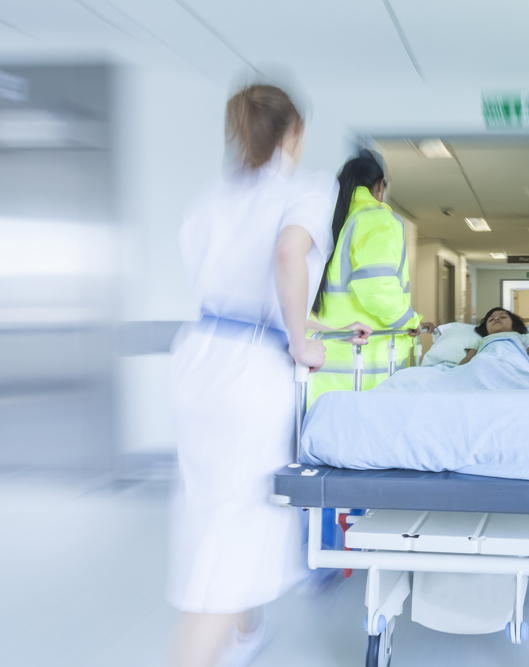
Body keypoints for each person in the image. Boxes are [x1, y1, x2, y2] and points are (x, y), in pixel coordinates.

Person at [167, 84, 371, 667]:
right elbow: (287, 256)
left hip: (199, 358)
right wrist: (306, 342)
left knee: (211, 507)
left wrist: (317, 332)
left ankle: (248, 635)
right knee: (230, 531)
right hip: (246, 376)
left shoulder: (214, 196)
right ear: (294, 134)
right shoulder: (305, 187)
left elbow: (237, 298)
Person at [309, 150, 433, 401]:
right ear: (380, 186)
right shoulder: (377, 219)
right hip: (361, 369)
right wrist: (410, 321)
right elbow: (377, 289)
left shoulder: (326, 218)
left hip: (320, 362)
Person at [459, 307, 529, 372]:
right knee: (481, 361)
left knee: (514, 363)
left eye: (503, 317)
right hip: (484, 360)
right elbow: (468, 359)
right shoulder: (482, 340)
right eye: (491, 319)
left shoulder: (521, 337)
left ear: (514, 324)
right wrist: (459, 370)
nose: (496, 318)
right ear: (486, 329)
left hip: (514, 359)